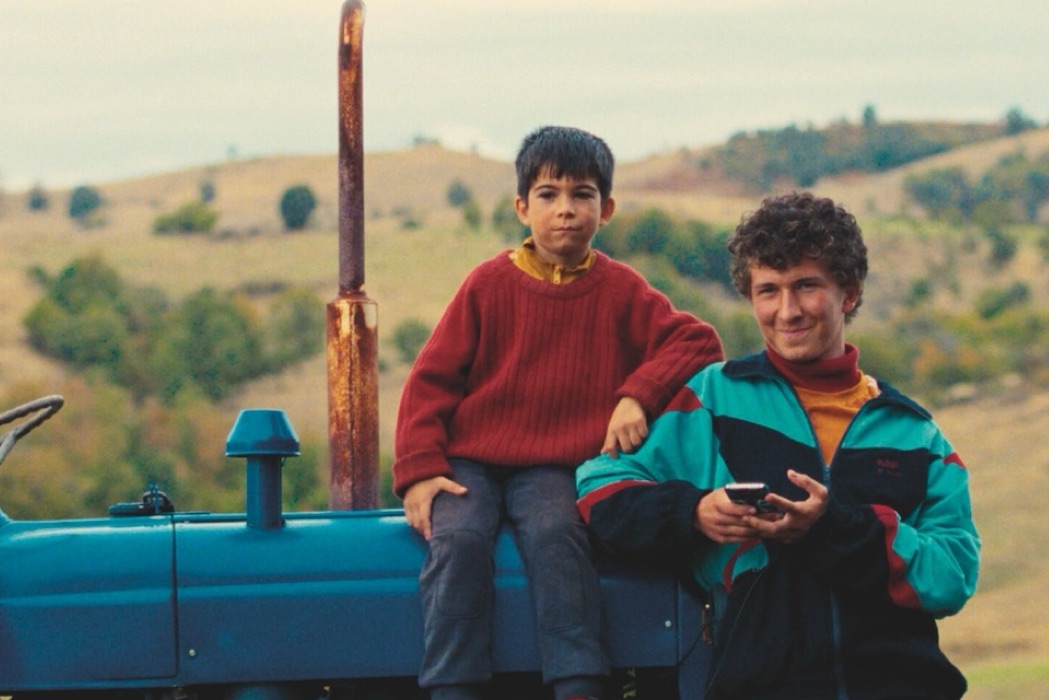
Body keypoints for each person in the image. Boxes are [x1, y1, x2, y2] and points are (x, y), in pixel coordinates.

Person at [576, 191, 981, 700]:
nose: (787, 311)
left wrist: (831, 527)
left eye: (806, 286)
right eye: (768, 290)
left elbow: (953, 575)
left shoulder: (915, 434)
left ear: (849, 293)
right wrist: (694, 512)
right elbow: (599, 488)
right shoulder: (714, 400)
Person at [393, 125, 724, 700]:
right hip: (470, 460)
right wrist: (420, 471)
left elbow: (698, 341)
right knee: (460, 540)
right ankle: (453, 684)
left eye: (582, 194)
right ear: (523, 207)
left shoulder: (621, 289)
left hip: (554, 467)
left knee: (558, 537)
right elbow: (430, 380)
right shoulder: (488, 285)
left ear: (606, 208)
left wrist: (637, 395)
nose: (565, 209)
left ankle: (578, 683)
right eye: (548, 195)